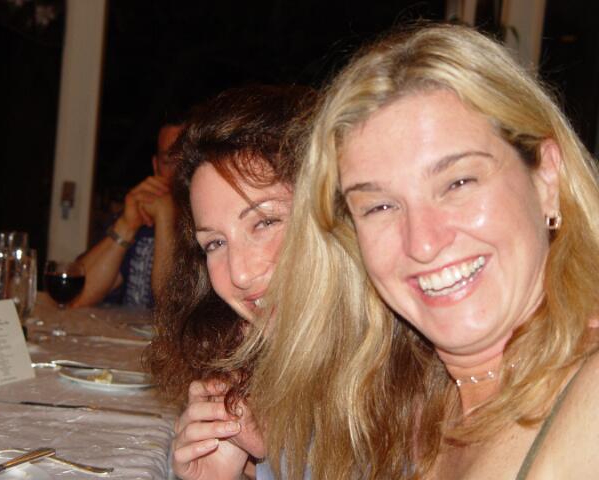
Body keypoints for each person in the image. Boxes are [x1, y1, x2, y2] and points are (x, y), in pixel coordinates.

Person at [237, 23, 599, 479]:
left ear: (547, 178)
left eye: (458, 182)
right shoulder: (417, 406)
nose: (423, 243)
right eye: (380, 206)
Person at [146, 85, 316, 479]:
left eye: (265, 222)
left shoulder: (418, 387)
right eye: (215, 243)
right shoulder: (260, 370)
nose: (239, 274)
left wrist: (282, 451)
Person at [73, 123, 183, 308]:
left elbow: (172, 310)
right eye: (168, 161)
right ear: (156, 166)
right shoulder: (144, 219)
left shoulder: (213, 231)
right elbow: (78, 296)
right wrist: (127, 225)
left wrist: (166, 216)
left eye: (187, 160)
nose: (179, 173)